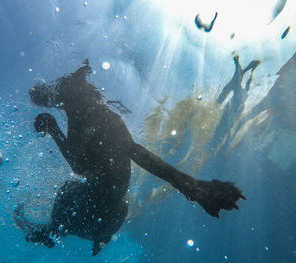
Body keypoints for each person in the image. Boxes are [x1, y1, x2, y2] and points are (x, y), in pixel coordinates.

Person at [14, 59, 245, 256]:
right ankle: (61, 232)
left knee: (69, 191)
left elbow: (135, 154)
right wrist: (54, 124)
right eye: (63, 104)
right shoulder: (79, 114)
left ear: (80, 97)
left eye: (65, 102)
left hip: (107, 207)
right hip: (104, 205)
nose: (65, 108)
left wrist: (189, 184)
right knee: (71, 191)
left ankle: (59, 232)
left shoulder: (101, 117)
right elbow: (81, 164)